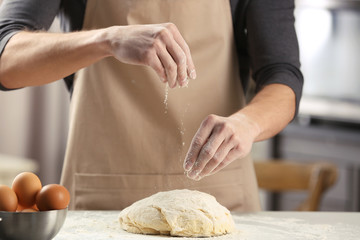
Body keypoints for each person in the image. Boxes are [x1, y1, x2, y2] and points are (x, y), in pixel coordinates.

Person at [0, 0, 303, 211]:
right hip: (102, 196)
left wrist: (248, 124)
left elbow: (282, 76)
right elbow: (6, 58)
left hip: (218, 196)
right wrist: (107, 40)